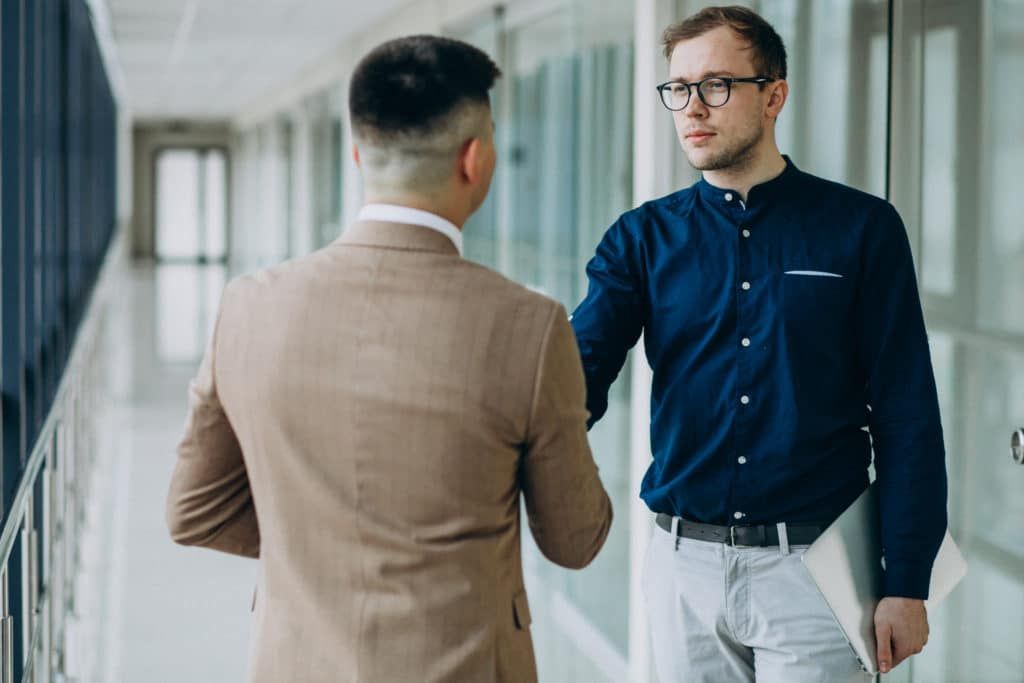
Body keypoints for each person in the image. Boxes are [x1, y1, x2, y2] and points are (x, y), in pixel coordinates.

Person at [166, 35, 611, 683]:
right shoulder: (529, 326)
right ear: (475, 159)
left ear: (356, 154)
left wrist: (314, 546)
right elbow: (575, 540)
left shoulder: (247, 307)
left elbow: (194, 511)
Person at [570, 6, 946, 682]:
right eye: (679, 88)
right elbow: (578, 373)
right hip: (681, 568)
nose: (692, 107)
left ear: (774, 95)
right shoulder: (640, 239)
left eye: (716, 85)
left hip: (816, 569)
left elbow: (907, 411)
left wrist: (908, 577)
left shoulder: (862, 229)